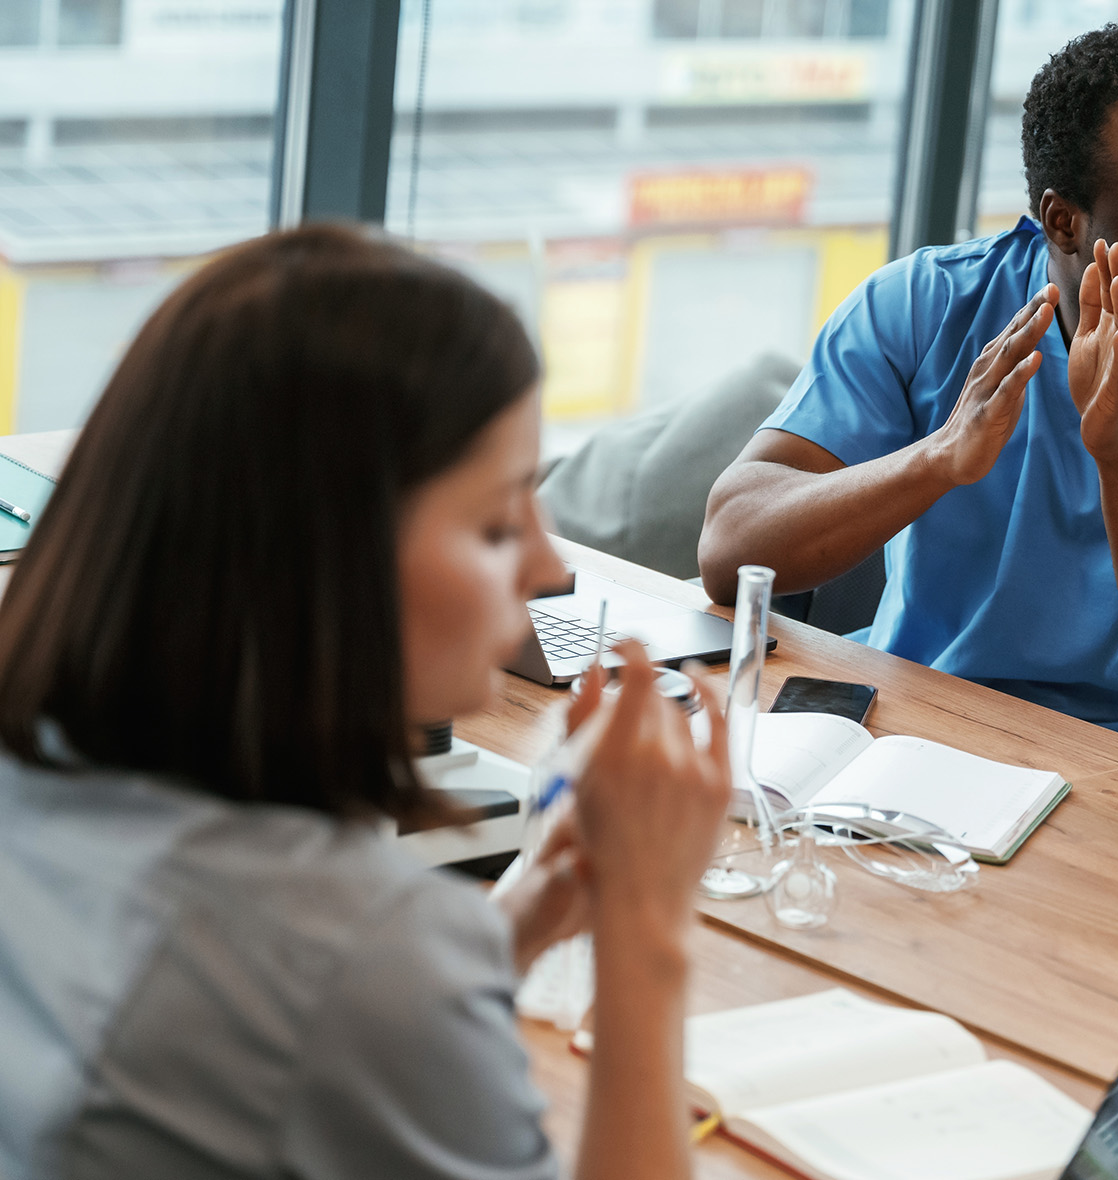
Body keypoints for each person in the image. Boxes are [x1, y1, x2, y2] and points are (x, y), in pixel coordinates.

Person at [0, 225, 731, 1178]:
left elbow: (303, 1050)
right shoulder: (352, 952)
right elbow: (342, 998)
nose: (551, 567)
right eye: (496, 520)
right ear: (322, 560)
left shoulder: (47, 774)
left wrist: (532, 908)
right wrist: (647, 929)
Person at [698, 22, 1118, 736]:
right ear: (1064, 221)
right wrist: (939, 458)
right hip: (905, 716)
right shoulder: (924, 303)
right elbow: (730, 552)